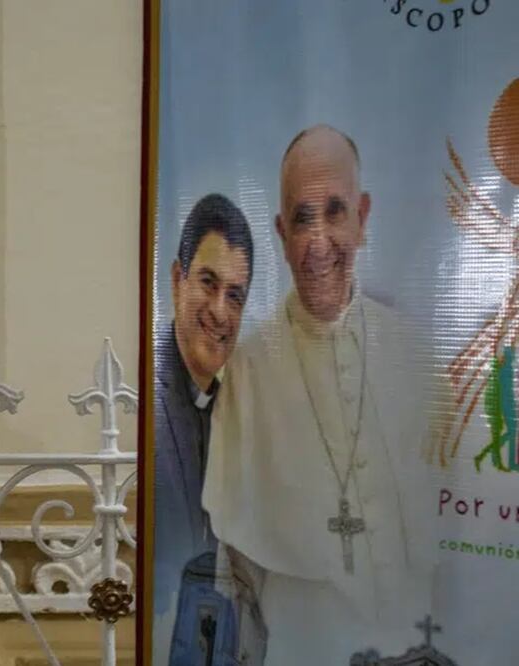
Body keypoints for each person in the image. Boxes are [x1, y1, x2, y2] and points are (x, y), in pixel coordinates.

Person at [201, 126, 435, 663]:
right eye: (302, 219)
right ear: (281, 234)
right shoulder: (248, 370)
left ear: (362, 218)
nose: (319, 241)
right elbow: (237, 569)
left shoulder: (411, 351)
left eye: (335, 212)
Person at [151, 194, 263, 666]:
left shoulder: (235, 406)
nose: (220, 311)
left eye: (235, 295)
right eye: (208, 283)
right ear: (177, 280)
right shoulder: (144, 397)